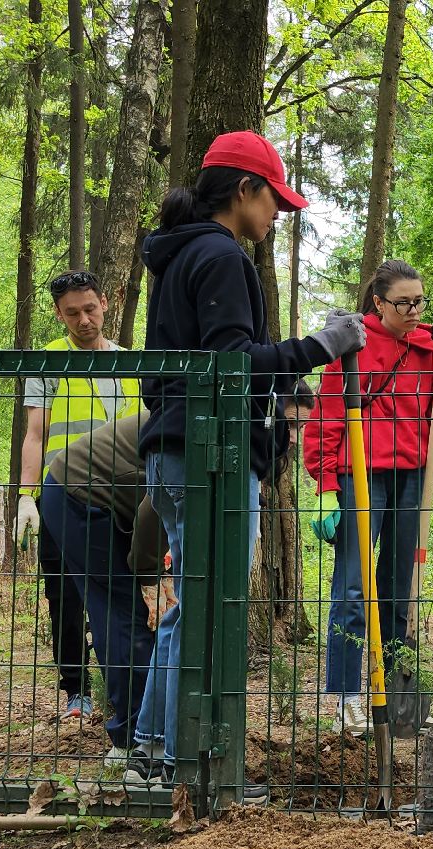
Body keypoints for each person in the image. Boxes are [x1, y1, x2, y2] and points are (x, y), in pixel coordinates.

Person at [131, 130, 364, 779]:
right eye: (273, 204)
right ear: (244, 191)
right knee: (210, 611)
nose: (276, 217)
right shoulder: (219, 256)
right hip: (209, 457)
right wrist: (319, 345)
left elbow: (204, 363)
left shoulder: (179, 256)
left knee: (190, 604)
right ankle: (184, 761)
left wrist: (285, 382)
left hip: (177, 452)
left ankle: (154, 748)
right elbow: (232, 365)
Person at [301, 259, 433, 736]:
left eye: (420, 301)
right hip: (360, 476)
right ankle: (348, 696)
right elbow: (326, 419)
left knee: (399, 589)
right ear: (378, 302)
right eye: (403, 303)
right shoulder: (353, 345)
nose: (414, 311)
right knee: (353, 586)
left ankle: (393, 694)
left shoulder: (431, 347)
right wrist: (326, 489)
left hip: (413, 477)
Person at [13, 270, 138, 726]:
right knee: (64, 595)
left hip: (117, 498)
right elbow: (35, 434)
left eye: (90, 309)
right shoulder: (48, 361)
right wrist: (27, 496)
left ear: (105, 303)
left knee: (119, 596)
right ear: (58, 314)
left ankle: (119, 688)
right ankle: (75, 690)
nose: (83, 320)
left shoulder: (129, 362)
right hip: (60, 496)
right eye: (72, 313)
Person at [36, 410, 165, 767]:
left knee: (133, 613)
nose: (295, 437)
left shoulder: (220, 424)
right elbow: (153, 510)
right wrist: (151, 577)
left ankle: (147, 729)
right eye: (293, 425)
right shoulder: (190, 427)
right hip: (76, 494)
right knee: (129, 614)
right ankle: (133, 742)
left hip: (105, 499)